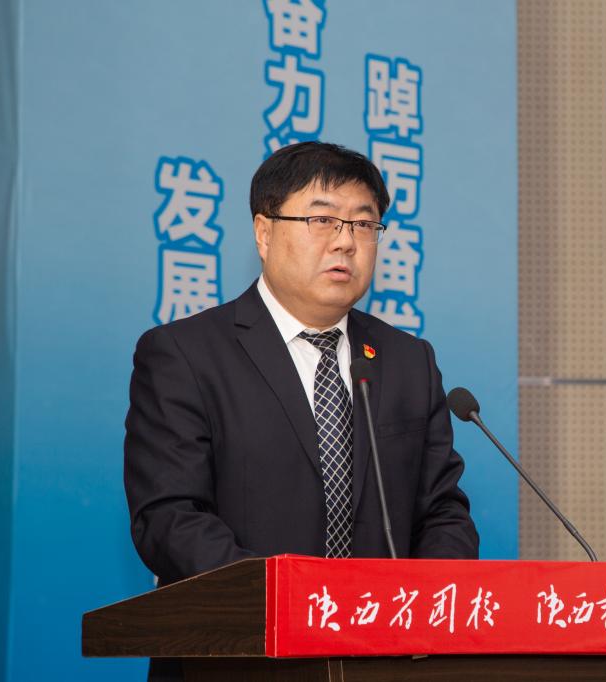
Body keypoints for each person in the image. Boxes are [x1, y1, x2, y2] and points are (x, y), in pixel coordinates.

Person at [124, 142, 479, 677]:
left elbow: (443, 512)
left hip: (384, 661)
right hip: (237, 658)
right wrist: (290, 605)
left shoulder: (409, 361)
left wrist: (425, 603)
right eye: (322, 219)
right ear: (264, 233)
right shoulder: (185, 354)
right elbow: (170, 517)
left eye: (364, 224)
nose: (346, 241)